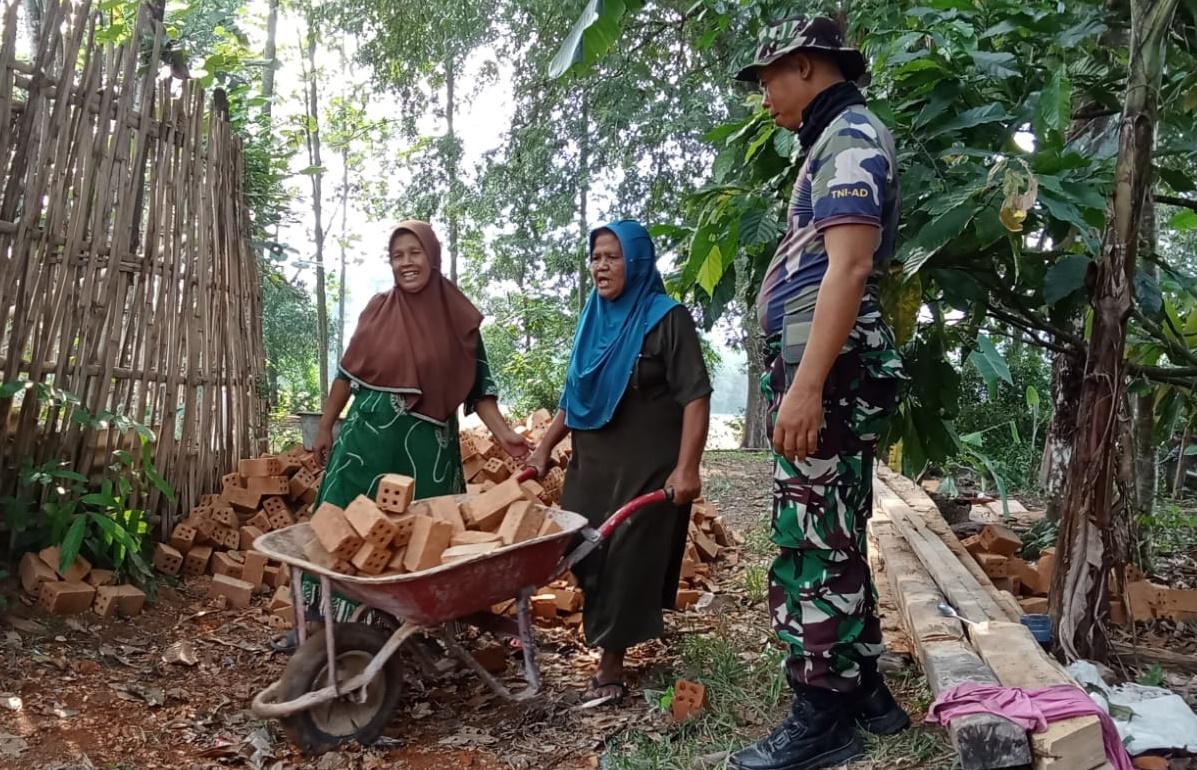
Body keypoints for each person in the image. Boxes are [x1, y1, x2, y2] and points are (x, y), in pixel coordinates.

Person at [727, 17, 910, 770]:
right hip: (823, 376)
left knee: (810, 543)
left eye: (767, 76)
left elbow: (849, 268)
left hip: (826, 379)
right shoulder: (833, 141)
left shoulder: (850, 138)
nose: (763, 92)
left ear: (803, 67)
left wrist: (803, 389)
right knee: (833, 529)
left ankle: (820, 716)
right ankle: (865, 689)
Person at [282, 220, 528, 649]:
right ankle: (319, 628)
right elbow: (347, 375)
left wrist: (505, 435)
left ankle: (417, 629)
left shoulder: (459, 319)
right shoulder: (378, 310)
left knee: (425, 536)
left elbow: (479, 388)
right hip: (364, 448)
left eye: (414, 253)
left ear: (432, 257)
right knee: (340, 526)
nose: (406, 263)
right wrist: (325, 426)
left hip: (426, 455)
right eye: (397, 255)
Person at [527, 220, 711, 702]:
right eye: (595, 257)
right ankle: (612, 630)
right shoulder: (593, 318)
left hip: (647, 462)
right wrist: (546, 447)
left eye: (612, 256)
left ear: (638, 261)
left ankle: (611, 664)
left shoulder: (666, 318)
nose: (601, 266)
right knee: (586, 553)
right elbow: (575, 394)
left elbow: (695, 396)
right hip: (593, 463)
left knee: (629, 554)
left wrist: (687, 467)